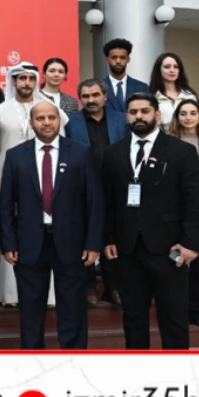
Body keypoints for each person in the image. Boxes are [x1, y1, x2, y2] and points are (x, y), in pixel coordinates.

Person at [102, 93, 199, 350]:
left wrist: (190, 243)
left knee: (173, 318)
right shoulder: (113, 153)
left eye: (145, 111)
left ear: (157, 115)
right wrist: (109, 238)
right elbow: (108, 200)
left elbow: (196, 200)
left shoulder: (182, 151)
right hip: (128, 248)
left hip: (170, 248)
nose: (139, 116)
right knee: (133, 318)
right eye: (133, 112)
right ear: (127, 117)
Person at [0, 101, 102, 349]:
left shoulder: (80, 153)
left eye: (51, 118)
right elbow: (5, 204)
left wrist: (93, 243)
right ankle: (34, 359)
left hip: (72, 243)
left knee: (73, 308)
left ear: (59, 120)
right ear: (31, 123)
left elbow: (95, 201)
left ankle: (74, 358)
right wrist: (8, 243)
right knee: (31, 311)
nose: (46, 122)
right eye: (40, 118)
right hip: (29, 244)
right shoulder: (15, 155)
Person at [0, 62, 67, 307]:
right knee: (12, 234)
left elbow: (62, 148)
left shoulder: (50, 110)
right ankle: (9, 295)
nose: (26, 83)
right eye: (21, 78)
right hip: (8, 184)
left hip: (45, 186)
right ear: (13, 81)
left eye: (31, 79)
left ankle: (49, 296)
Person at [64, 79, 130, 308]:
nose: (91, 100)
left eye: (95, 95)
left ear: (105, 96)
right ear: (80, 99)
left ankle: (114, 286)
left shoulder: (121, 119)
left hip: (116, 185)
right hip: (83, 185)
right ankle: (89, 285)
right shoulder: (71, 122)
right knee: (85, 233)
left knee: (115, 234)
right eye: (85, 96)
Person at [166, 99, 199, 326]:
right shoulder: (166, 145)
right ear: (177, 117)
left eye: (193, 113)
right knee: (175, 262)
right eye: (183, 113)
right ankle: (178, 312)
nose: (188, 117)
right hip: (172, 212)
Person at [149, 52, 198, 129]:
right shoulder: (151, 97)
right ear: (159, 70)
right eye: (167, 67)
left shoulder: (190, 96)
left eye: (176, 67)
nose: (172, 70)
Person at [102, 38, 150, 113]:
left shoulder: (142, 87)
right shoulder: (98, 87)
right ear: (106, 60)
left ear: (128, 59)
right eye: (114, 57)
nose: (118, 61)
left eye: (122, 58)